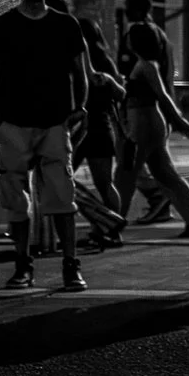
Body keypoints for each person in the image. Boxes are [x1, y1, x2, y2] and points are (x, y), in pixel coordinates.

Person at [0, 0, 90, 291]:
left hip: (55, 123)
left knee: (62, 198)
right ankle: (23, 265)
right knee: (15, 200)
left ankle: (71, 266)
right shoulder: (1, 26)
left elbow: (80, 73)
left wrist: (80, 107)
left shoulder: (65, 25)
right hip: (14, 125)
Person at [114, 22, 189, 236]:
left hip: (144, 125)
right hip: (147, 124)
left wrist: (179, 120)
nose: (127, 40)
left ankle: (112, 224)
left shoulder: (147, 66)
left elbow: (162, 95)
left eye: (130, 36)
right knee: (166, 174)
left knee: (125, 174)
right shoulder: (144, 64)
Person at [71, 19, 130, 252]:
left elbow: (121, 93)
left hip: (96, 128)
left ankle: (110, 228)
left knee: (103, 183)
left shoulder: (102, 62)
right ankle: (105, 223)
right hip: (79, 128)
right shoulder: (72, 58)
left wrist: (107, 80)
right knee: (63, 178)